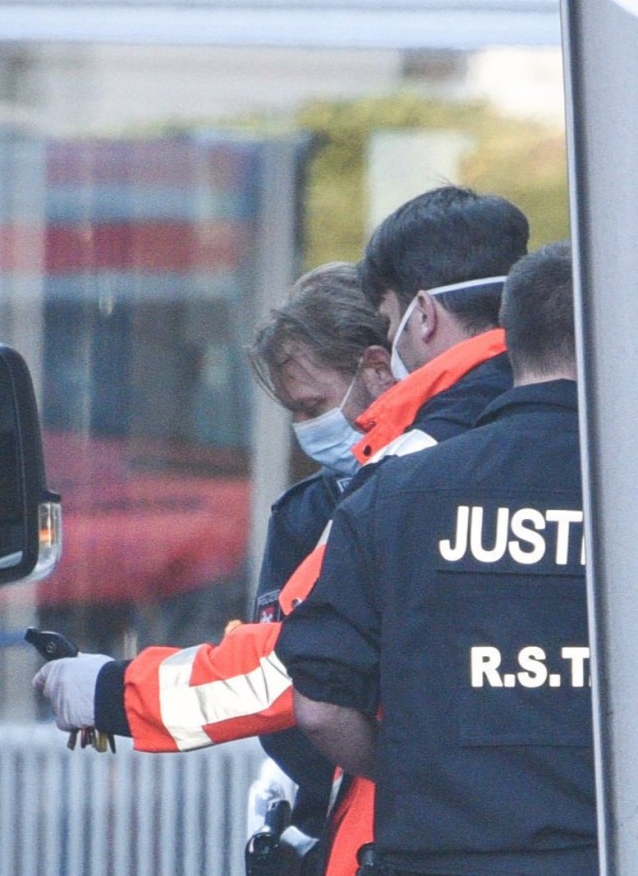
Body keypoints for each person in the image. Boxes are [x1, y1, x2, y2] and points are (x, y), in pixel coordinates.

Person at [35, 186, 528, 873]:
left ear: (418, 319)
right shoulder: (586, 445)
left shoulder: (404, 477)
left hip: (427, 837)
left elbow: (295, 666)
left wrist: (115, 692)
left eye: (387, 325)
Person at [36, 261, 396, 838]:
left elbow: (291, 671)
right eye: (295, 412)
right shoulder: (305, 515)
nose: (306, 428)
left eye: (312, 405)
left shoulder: (411, 501)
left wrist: (111, 692)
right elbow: (270, 657)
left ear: (379, 370)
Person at [279, 241, 597, 875]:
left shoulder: (394, 494)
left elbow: (316, 706)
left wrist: (416, 772)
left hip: (439, 848)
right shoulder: (615, 491)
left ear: (514, 337)